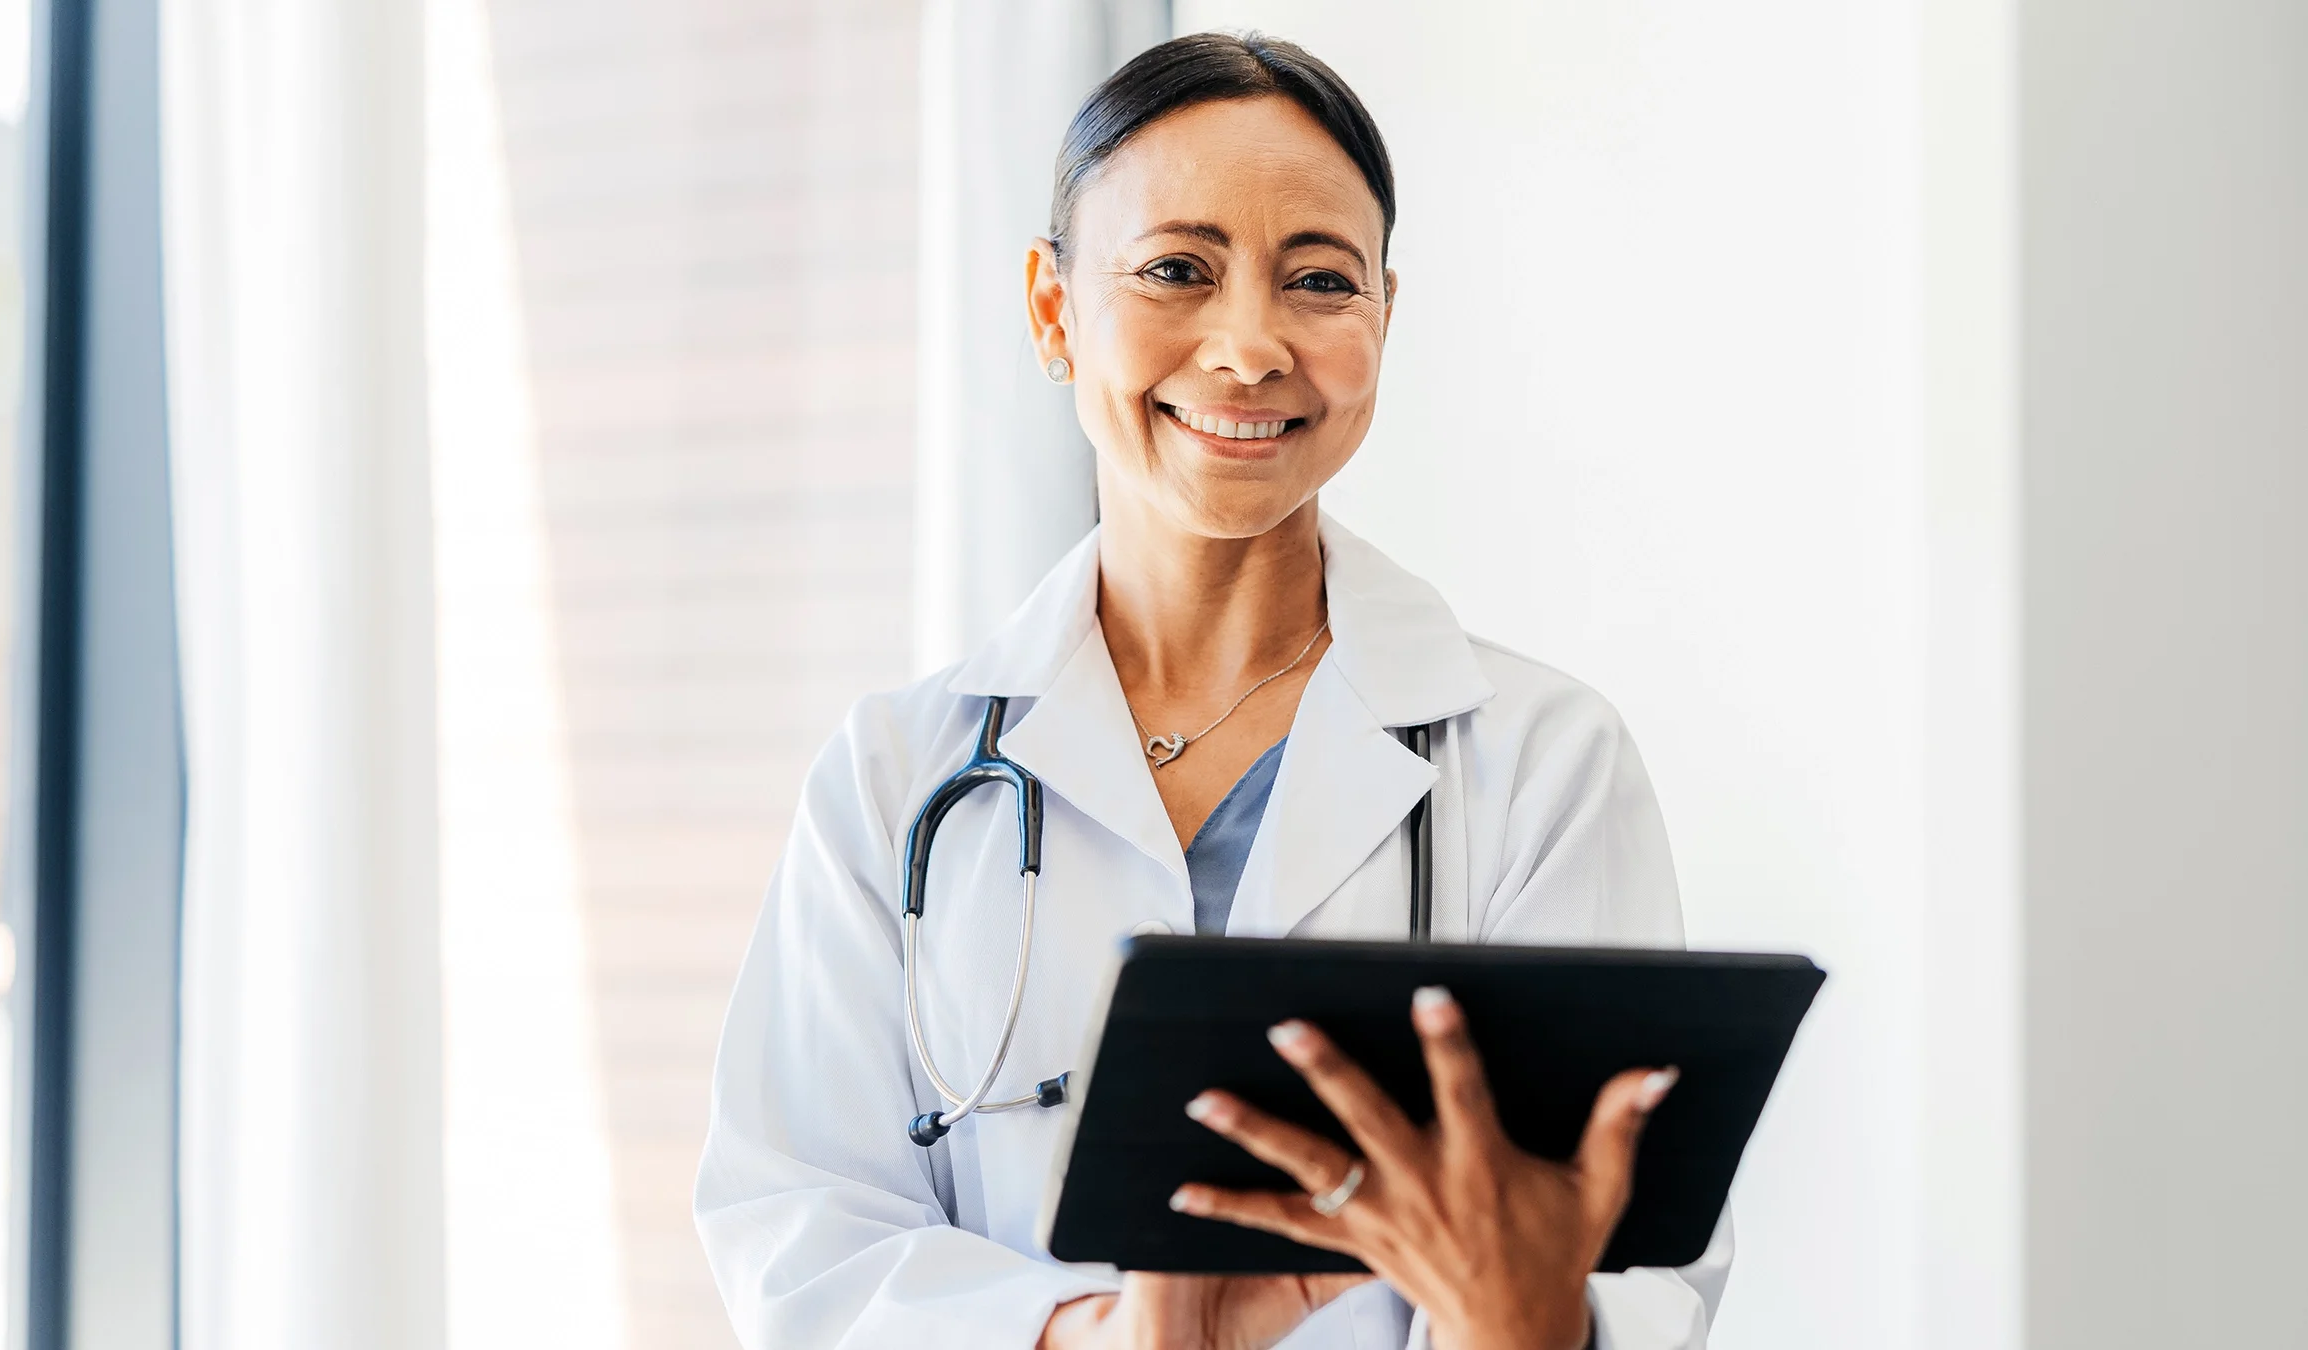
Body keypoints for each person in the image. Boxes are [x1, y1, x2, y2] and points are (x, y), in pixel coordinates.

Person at [695, 31, 1730, 1350]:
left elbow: (1644, 1270)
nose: (1249, 347)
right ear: (1054, 309)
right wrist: (1113, 1336)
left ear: (1384, 321)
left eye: (1319, 281)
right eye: (1177, 269)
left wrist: (1526, 1318)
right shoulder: (894, 777)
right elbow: (796, 1241)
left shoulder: (1540, 761)